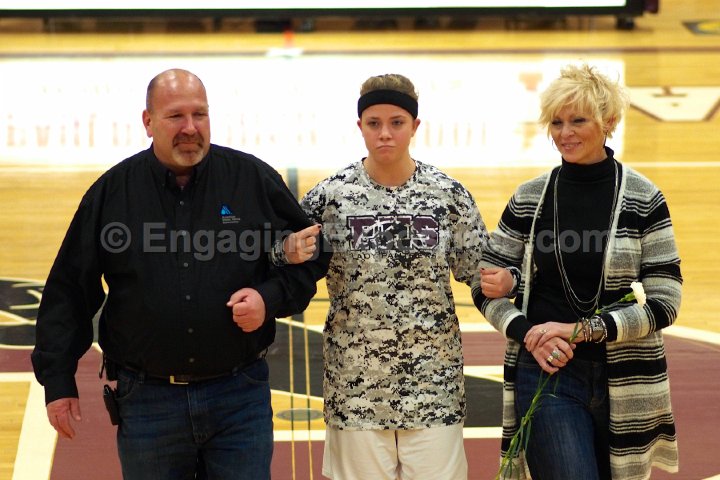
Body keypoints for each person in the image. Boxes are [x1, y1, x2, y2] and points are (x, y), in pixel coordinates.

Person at [31, 68, 331, 480]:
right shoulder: (112, 193)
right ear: (148, 121)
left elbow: (313, 252)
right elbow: (69, 290)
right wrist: (58, 381)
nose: (190, 127)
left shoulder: (251, 180)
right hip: (147, 403)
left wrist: (269, 298)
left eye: (199, 114)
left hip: (239, 398)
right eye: (175, 116)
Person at [277, 73, 515, 480]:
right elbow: (281, 257)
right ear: (360, 126)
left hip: (434, 388)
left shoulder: (447, 195)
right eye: (374, 123)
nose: (385, 133)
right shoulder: (330, 197)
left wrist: (508, 281)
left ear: (415, 126)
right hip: (355, 391)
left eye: (397, 122)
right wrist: (285, 251)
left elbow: (479, 270)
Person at [473, 63, 682, 479]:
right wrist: (527, 333)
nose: (564, 133)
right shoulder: (529, 197)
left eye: (578, 121)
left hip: (627, 376)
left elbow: (666, 302)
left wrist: (581, 331)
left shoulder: (644, 198)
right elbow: (484, 288)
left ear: (609, 122)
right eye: (556, 122)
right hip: (547, 371)